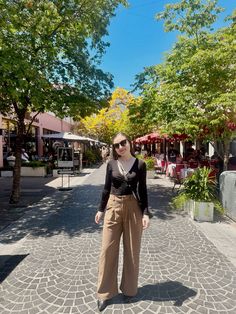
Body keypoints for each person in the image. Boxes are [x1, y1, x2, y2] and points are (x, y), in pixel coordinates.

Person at [95, 132, 151, 312]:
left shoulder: (140, 164)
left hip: (133, 207)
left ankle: (129, 289)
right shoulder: (111, 164)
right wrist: (101, 209)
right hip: (113, 206)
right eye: (117, 145)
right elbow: (105, 188)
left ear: (129, 142)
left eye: (123, 142)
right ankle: (104, 293)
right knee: (107, 250)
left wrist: (146, 213)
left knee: (132, 249)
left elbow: (143, 190)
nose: (120, 147)